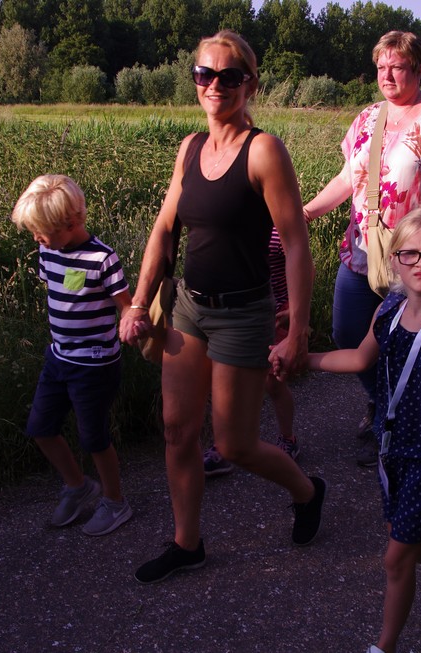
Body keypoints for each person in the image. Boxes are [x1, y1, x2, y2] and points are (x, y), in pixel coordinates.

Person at [120, 31, 324, 584]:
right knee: (176, 430)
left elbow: (296, 243)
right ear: (194, 80)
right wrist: (138, 302)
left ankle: (307, 491)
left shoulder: (263, 150)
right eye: (204, 74)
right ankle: (187, 543)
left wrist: (297, 329)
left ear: (249, 83)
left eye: (229, 76)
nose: (215, 84)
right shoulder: (190, 148)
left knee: (233, 444)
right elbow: (165, 229)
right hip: (189, 308)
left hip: (243, 314)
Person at [299, 205, 421, 653]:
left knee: (396, 557)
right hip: (393, 451)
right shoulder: (388, 311)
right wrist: (303, 361)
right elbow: (358, 358)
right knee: (407, 537)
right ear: (394, 260)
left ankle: (384, 646)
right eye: (410, 253)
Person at [301, 30, 421, 466]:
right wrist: (304, 214)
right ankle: (383, 403)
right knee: (347, 333)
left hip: (417, 259)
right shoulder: (367, 118)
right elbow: (348, 178)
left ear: (418, 68)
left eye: (396, 67)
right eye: (381, 67)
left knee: (403, 346)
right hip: (362, 251)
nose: (387, 75)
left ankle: (393, 430)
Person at [10, 174, 135, 536]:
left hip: (95, 364)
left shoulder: (102, 258)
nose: (36, 237)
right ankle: (78, 487)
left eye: (42, 230)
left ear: (70, 222)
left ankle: (115, 502)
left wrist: (135, 323)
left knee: (93, 437)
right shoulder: (48, 250)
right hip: (59, 357)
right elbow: (60, 289)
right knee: (40, 428)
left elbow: (126, 308)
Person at [202, 228, 300, 477]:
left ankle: (288, 438)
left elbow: (300, 265)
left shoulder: (279, 226)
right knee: (224, 381)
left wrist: (294, 310)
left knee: (273, 382)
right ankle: (222, 447)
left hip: (275, 314)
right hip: (235, 312)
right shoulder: (232, 218)